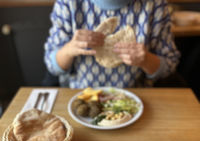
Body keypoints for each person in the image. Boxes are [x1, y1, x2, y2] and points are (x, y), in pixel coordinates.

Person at [44, 0, 180, 89]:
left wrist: (146, 60)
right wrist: (69, 50)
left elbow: (170, 64)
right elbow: (52, 66)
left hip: (138, 101)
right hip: (82, 99)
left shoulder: (155, 5)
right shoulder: (68, 4)